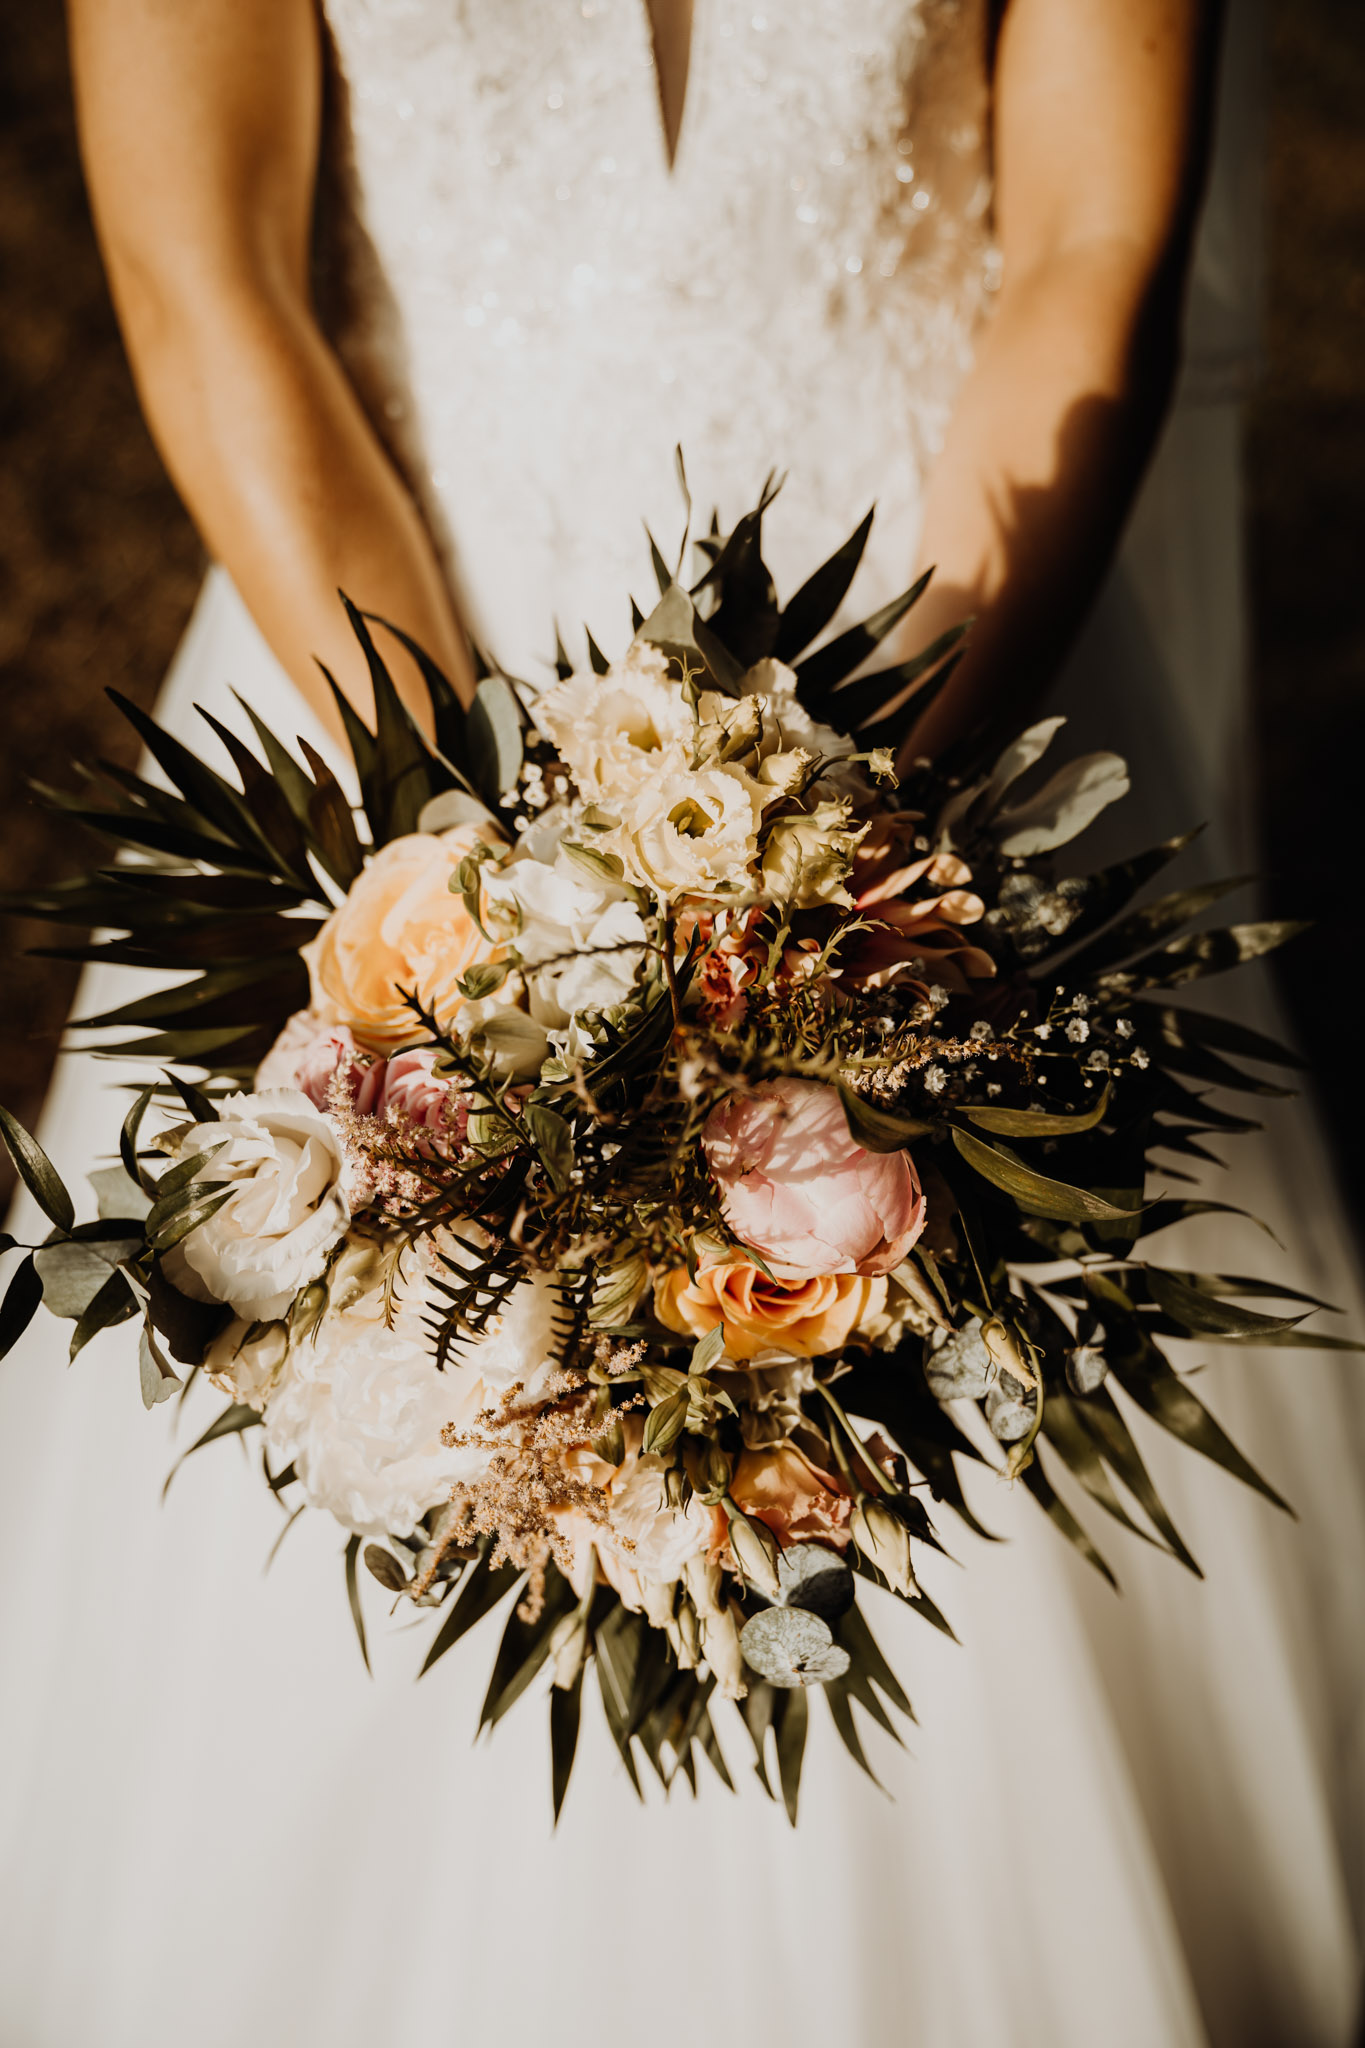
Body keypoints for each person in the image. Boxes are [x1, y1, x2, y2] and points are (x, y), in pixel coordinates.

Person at [0, 3, 1360, 2043]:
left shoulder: (906, 778)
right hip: (375, 653)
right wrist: (462, 871)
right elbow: (208, 280)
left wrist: (851, 860)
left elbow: (1086, 241)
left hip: (948, 660)